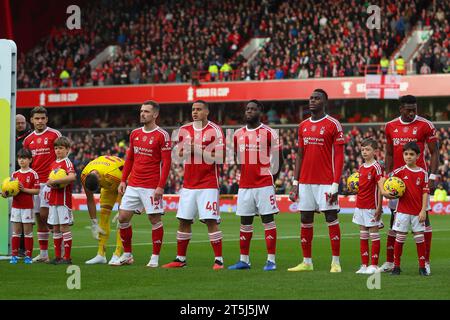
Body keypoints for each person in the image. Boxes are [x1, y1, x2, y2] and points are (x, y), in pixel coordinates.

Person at [162, 100, 225, 269]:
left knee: (211, 221)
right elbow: (180, 155)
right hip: (189, 184)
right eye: (193, 109)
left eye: (198, 109)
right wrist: (186, 149)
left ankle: (219, 260)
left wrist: (195, 148)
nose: (195, 112)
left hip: (208, 184)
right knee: (184, 220)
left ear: (207, 112)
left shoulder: (215, 130)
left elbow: (219, 158)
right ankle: (180, 259)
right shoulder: (185, 130)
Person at [288, 88, 345, 273]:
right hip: (305, 181)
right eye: (311, 98)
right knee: (305, 218)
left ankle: (335, 262)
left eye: (317, 98)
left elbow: (339, 156)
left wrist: (335, 184)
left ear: (324, 102)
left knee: (331, 217)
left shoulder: (333, 124)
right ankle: (307, 262)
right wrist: (295, 183)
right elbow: (300, 155)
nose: (312, 101)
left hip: (326, 181)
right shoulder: (303, 125)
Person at [381, 95, 439, 274]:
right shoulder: (390, 126)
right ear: (401, 109)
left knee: (423, 219)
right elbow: (389, 153)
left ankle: (425, 262)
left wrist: (432, 176)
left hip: (418, 180)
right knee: (394, 220)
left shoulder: (426, 125)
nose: (412, 112)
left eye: (414, 108)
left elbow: (434, 152)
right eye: (408, 109)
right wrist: (388, 176)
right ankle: (391, 262)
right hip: (397, 182)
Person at [228, 100, 283, 271]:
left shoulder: (269, 133)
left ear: (260, 111)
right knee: (245, 222)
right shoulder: (237, 134)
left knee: (268, 220)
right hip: (245, 185)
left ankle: (271, 261)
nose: (249, 111)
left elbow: (279, 159)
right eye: (247, 109)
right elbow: (237, 158)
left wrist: (271, 177)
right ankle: (244, 260)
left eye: (253, 109)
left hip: (264, 184)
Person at [116, 101, 172, 267]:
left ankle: (154, 257)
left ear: (155, 115)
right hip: (133, 184)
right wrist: (123, 180)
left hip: (151, 185)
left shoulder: (162, 135)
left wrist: (161, 186)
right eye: (141, 111)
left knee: (154, 219)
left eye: (147, 112)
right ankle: (127, 255)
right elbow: (130, 158)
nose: (142, 114)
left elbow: (166, 163)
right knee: (123, 217)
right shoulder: (135, 133)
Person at [383, 142, 430, 276]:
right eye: (406, 154)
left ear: (418, 156)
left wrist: (423, 210)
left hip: (417, 212)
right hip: (402, 211)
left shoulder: (423, 173)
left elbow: (425, 192)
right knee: (400, 238)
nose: (408, 157)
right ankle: (396, 267)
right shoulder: (398, 172)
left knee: (419, 238)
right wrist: (386, 193)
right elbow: (385, 184)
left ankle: (422, 267)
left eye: (411, 154)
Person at [22, 106, 62, 263]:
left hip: (50, 182)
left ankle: (61, 249)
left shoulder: (54, 135)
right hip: (36, 184)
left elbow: (63, 152)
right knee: (39, 217)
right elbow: (26, 162)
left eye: (42, 118)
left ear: (47, 119)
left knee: (47, 216)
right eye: (36, 118)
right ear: (31, 120)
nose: (39, 121)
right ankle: (44, 253)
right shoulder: (28, 140)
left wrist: (59, 175)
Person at [81, 155, 125, 265]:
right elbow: (90, 199)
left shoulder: (112, 174)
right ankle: (101, 254)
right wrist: (94, 223)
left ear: (100, 179)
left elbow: (127, 184)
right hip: (109, 184)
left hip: (124, 180)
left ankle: (117, 254)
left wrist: (122, 209)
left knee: (122, 220)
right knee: (104, 216)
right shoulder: (84, 174)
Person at [352, 138, 385, 274]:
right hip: (360, 206)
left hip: (372, 206)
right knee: (363, 235)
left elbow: (380, 188)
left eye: (368, 149)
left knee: (374, 235)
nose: (364, 152)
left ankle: (374, 265)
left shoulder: (377, 167)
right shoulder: (361, 167)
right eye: (363, 150)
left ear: (375, 151)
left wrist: (379, 207)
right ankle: (364, 265)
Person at [2, 149, 40, 264]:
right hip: (16, 207)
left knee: (27, 232)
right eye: (19, 158)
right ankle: (14, 256)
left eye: (24, 158)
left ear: (30, 160)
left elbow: (37, 191)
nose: (21, 160)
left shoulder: (33, 174)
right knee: (16, 232)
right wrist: (5, 194)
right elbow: (10, 190)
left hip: (27, 207)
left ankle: (28, 256)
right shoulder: (14, 174)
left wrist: (24, 189)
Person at [46, 136, 76, 264]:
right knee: (56, 228)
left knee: (64, 228)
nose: (58, 151)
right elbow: (49, 180)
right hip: (53, 200)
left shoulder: (67, 162)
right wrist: (49, 183)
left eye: (61, 148)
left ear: (67, 149)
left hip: (63, 201)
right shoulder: (53, 164)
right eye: (56, 148)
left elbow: (72, 177)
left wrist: (56, 181)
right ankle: (58, 257)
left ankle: (67, 258)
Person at [15, 114, 33, 256]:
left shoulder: (28, 138)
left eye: (22, 123)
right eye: (18, 123)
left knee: (26, 217)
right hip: (14, 177)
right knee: (16, 217)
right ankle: (18, 247)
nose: (21, 125)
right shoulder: (10, 136)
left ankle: (24, 248)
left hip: (27, 176)